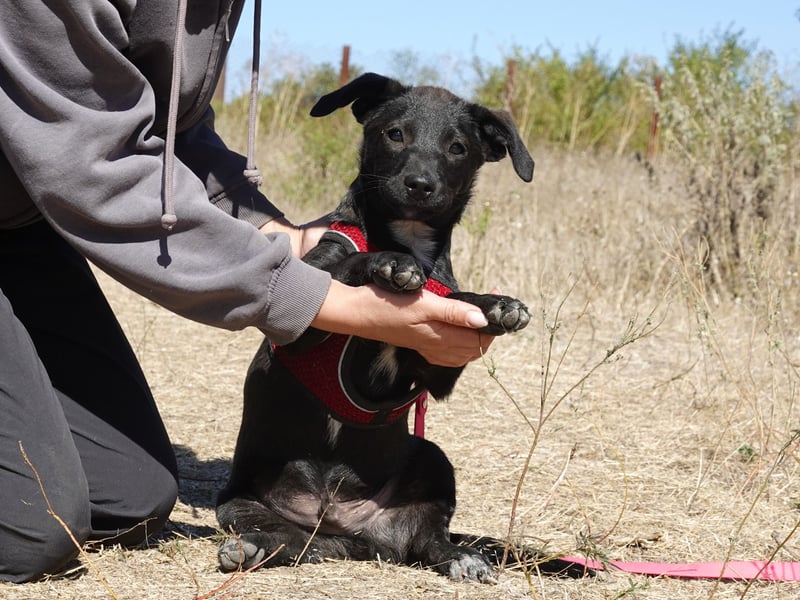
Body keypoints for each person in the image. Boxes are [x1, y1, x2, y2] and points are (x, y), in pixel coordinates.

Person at [0, 1, 495, 583]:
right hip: (50, 190)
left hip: (19, 233)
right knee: (30, 536)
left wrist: (273, 233)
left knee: (129, 500)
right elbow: (89, 163)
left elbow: (166, 129)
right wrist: (311, 297)